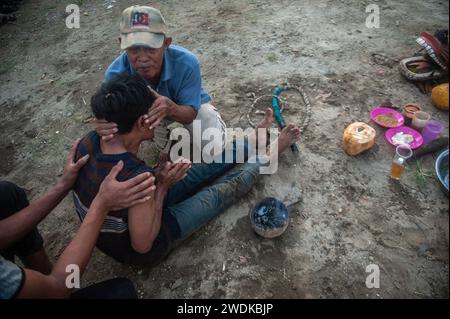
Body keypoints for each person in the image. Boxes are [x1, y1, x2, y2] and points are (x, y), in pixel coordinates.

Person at [73, 73, 300, 266]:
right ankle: (273, 150)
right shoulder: (136, 177)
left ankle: (252, 141)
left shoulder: (88, 142)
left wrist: (159, 181)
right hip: (145, 242)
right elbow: (143, 245)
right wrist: (161, 187)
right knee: (221, 191)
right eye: (154, 111)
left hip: (126, 216)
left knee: (201, 170)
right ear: (143, 122)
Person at [0, 139, 155, 299]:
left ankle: (42, 277)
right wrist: (101, 205)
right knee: (122, 292)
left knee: (7, 194)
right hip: (54, 291)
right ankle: (48, 285)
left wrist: (63, 185)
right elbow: (58, 290)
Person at [95, 5, 226, 157]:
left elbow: (190, 114)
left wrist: (171, 108)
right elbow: (110, 120)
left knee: (213, 148)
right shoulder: (115, 75)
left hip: (186, 107)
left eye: (151, 49)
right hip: (149, 114)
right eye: (134, 49)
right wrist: (104, 122)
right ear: (121, 44)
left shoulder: (187, 63)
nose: (143, 58)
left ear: (166, 43)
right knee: (166, 149)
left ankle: (214, 120)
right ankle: (166, 144)